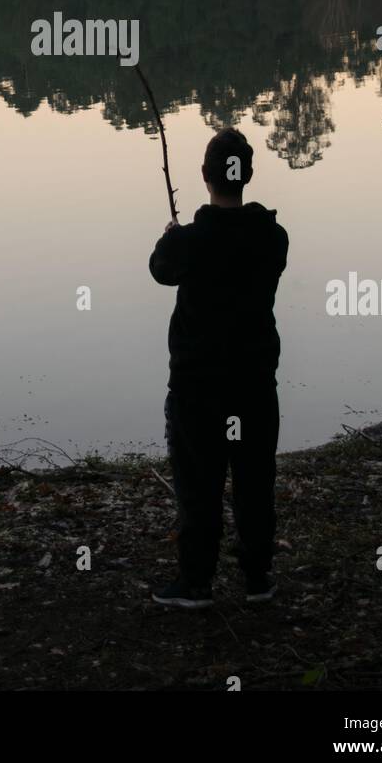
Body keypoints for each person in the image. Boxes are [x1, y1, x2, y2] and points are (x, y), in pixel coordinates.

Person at [148, 127, 289, 608]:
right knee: (254, 480)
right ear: (246, 176)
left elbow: (160, 269)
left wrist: (175, 234)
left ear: (206, 177)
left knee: (198, 484)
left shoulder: (187, 242)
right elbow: (233, 247)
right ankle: (257, 577)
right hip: (253, 385)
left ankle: (196, 582)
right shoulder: (274, 238)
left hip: (197, 388)